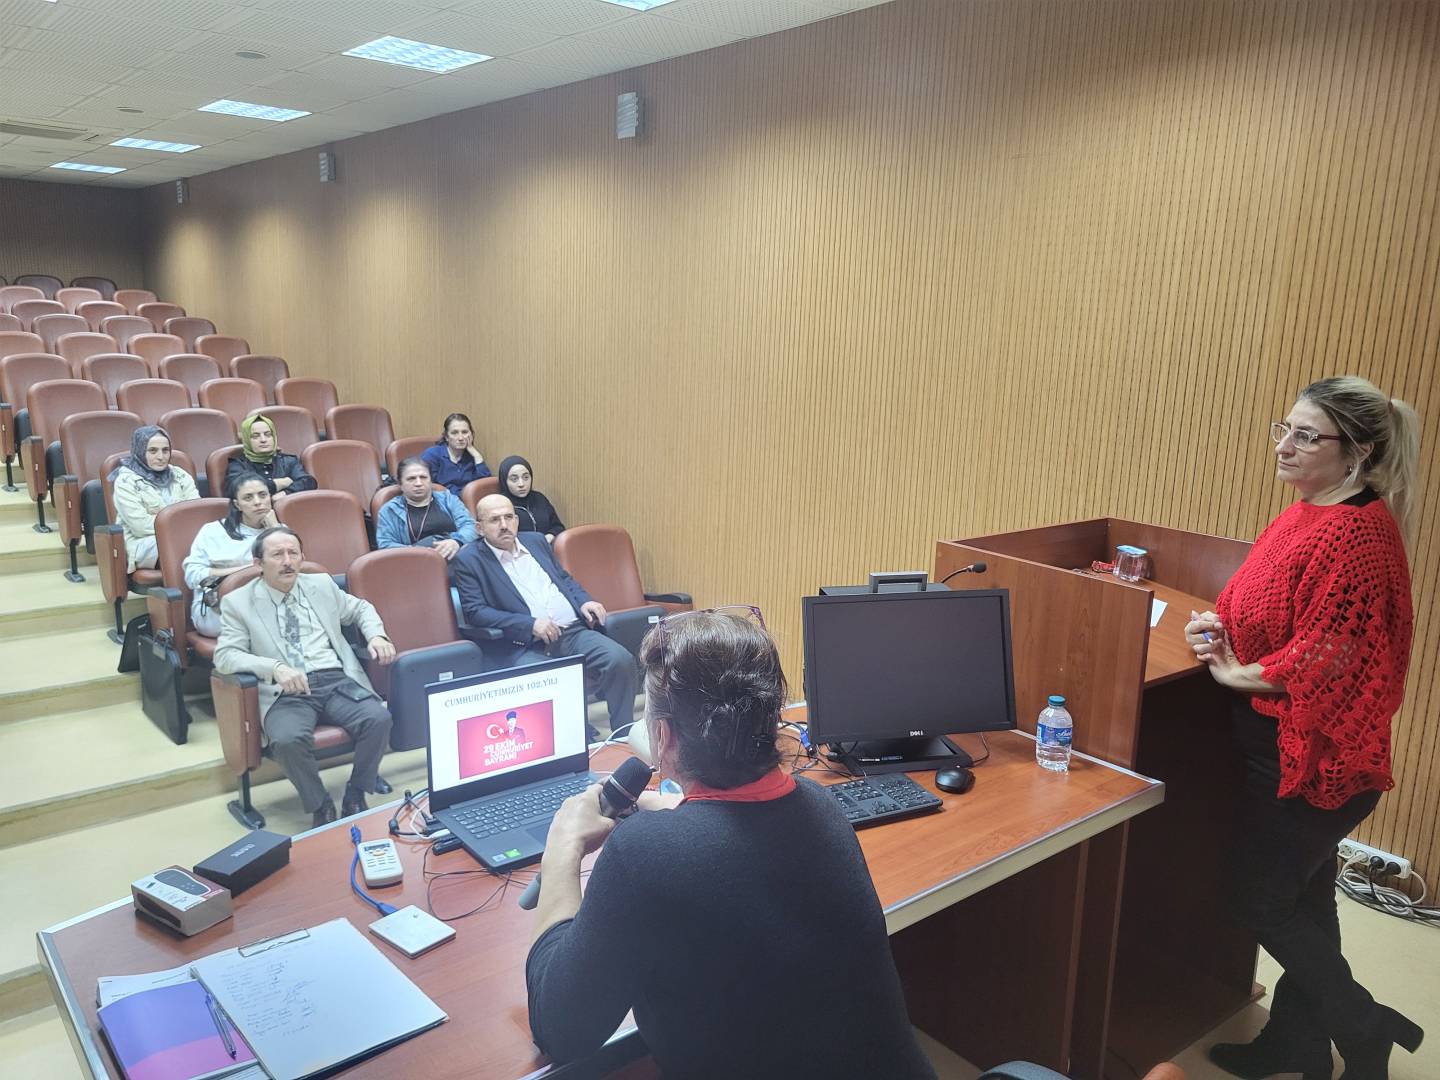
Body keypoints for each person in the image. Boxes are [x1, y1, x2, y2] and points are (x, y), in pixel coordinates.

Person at [525, 609, 936, 1078]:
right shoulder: (821, 807)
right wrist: (684, 814)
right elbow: (733, 851)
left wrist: (563, 848)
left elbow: (560, 1031)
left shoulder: (644, 857)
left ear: (662, 736)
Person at [1185, 376, 1423, 1080]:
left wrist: (1235, 674)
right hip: (1278, 749)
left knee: (1256, 899)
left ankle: (1367, 1027)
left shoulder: (1356, 533)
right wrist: (1216, 629)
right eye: (1283, 429)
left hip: (1310, 760)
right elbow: (1261, 605)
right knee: (1307, 904)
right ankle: (1296, 1043)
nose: (1284, 446)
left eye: (1306, 436)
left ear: (1357, 452)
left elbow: (1332, 655)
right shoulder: (1305, 512)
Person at [213, 525, 396, 827]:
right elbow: (225, 656)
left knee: (378, 719)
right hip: (286, 691)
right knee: (287, 740)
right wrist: (274, 667)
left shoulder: (320, 584)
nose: (287, 561)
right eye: (277, 555)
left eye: (293, 553)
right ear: (258, 563)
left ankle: (356, 792)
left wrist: (376, 635)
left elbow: (361, 609)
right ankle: (319, 803)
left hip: (335, 680)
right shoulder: (238, 602)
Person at [452, 494, 634, 736]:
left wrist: (584, 601)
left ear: (517, 520)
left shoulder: (536, 541)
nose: (504, 525)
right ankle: (579, 736)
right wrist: (529, 624)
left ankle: (623, 733)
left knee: (620, 660)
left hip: (572, 632)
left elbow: (564, 580)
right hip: (525, 644)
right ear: (479, 528)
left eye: (509, 517)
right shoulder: (469, 559)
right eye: (495, 520)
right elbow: (476, 612)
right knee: (551, 679)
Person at [182, 476, 278, 636]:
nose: (258, 502)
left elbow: (296, 570)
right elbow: (193, 575)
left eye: (263, 495)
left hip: (270, 604)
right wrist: (245, 573)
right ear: (237, 504)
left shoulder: (279, 532)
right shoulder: (213, 531)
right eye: (248, 497)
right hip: (218, 608)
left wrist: (275, 529)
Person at [111, 424, 199, 572]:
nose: (161, 457)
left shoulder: (181, 475)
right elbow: (140, 527)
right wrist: (180, 524)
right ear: (140, 451)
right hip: (144, 543)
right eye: (152, 451)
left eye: (165, 450)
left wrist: (161, 518)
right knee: (184, 546)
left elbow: (195, 514)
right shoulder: (125, 481)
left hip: (184, 538)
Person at [374, 457, 476, 564]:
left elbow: (469, 525)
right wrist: (419, 552)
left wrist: (456, 541)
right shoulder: (389, 510)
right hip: (414, 563)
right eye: (411, 479)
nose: (418, 483)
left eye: (423, 477)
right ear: (400, 484)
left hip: (455, 558)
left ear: (430, 480)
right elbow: (385, 544)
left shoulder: (448, 499)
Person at [223, 413, 316, 500]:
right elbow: (237, 489)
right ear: (246, 440)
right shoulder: (238, 465)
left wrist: (286, 493)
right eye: (255, 436)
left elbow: (308, 482)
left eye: (268, 435)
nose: (263, 440)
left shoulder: (289, 461)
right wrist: (278, 483)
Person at [420, 412, 490, 498]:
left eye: (464, 432)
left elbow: (485, 486)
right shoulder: (432, 455)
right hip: (441, 501)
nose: (460, 438)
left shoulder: (472, 457)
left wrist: (476, 455)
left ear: (471, 435)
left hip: (468, 501)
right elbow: (425, 484)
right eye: (454, 433)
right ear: (446, 437)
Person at [497, 455, 565, 541]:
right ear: (504, 481)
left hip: (546, 546)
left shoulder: (539, 498)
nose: (521, 484)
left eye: (526, 477)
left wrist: (549, 537)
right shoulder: (499, 505)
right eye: (514, 479)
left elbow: (558, 526)